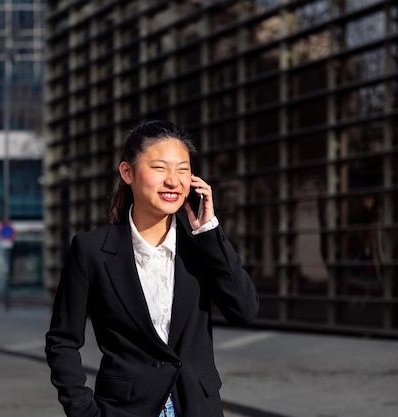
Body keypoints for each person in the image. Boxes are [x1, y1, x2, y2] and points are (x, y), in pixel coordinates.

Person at [45, 120, 259, 417]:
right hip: (124, 409)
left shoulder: (201, 245)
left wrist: (209, 232)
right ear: (127, 172)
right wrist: (83, 410)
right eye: (160, 168)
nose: (173, 180)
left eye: (183, 169)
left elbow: (245, 310)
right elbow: (62, 341)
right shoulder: (91, 249)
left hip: (197, 407)